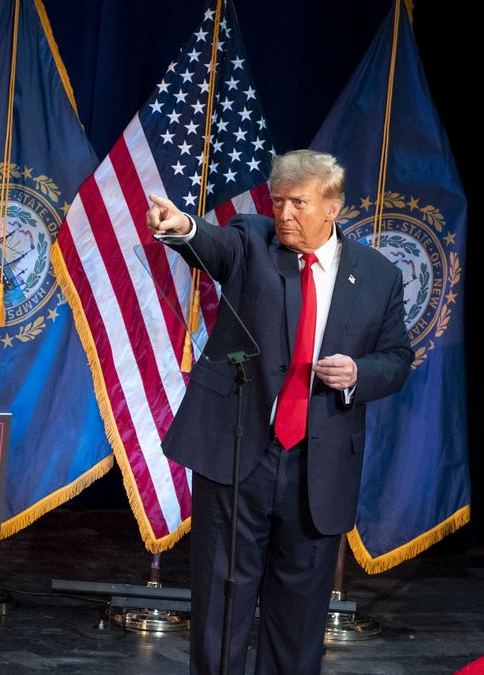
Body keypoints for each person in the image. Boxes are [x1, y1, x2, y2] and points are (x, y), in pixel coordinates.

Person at [147, 149, 413, 674]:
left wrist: (359, 373)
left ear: (332, 207)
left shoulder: (378, 276)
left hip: (319, 464)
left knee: (298, 617)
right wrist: (181, 229)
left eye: (299, 203)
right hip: (241, 450)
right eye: (280, 201)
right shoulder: (253, 241)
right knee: (222, 606)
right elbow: (211, 245)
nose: (285, 214)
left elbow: (397, 359)